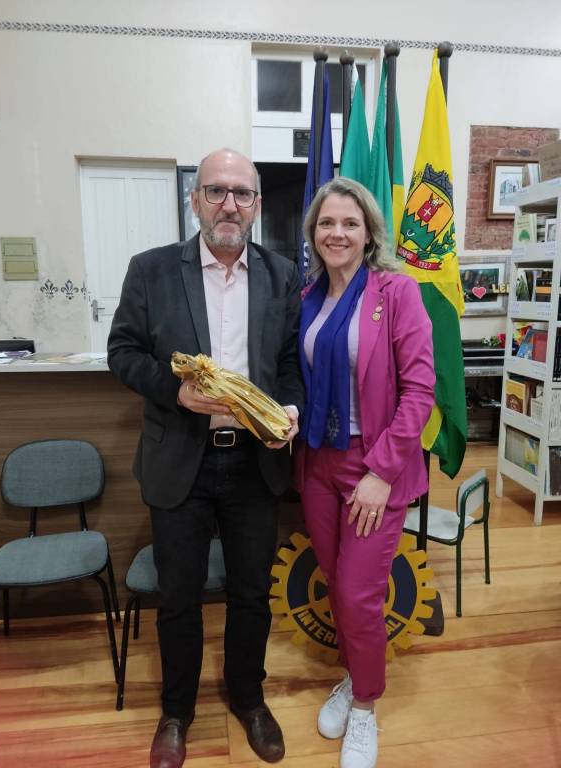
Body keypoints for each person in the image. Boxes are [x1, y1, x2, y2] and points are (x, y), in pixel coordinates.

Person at [108, 148, 303, 768]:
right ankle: (177, 712)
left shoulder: (281, 274)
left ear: (257, 205)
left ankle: (249, 699)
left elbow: (291, 362)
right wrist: (175, 392)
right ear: (195, 201)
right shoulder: (151, 270)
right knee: (178, 596)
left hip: (254, 463)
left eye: (242, 193)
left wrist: (289, 410)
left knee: (251, 593)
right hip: (181, 461)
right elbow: (123, 352)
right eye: (216, 191)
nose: (229, 205)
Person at [294, 177, 435, 768]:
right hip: (317, 463)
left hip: (374, 465)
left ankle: (365, 708)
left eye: (350, 223)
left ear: (369, 232)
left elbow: (420, 391)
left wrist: (380, 472)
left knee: (358, 594)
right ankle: (353, 677)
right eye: (327, 223)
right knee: (335, 583)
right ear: (313, 233)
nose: (338, 233)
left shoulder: (397, 293)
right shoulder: (308, 298)